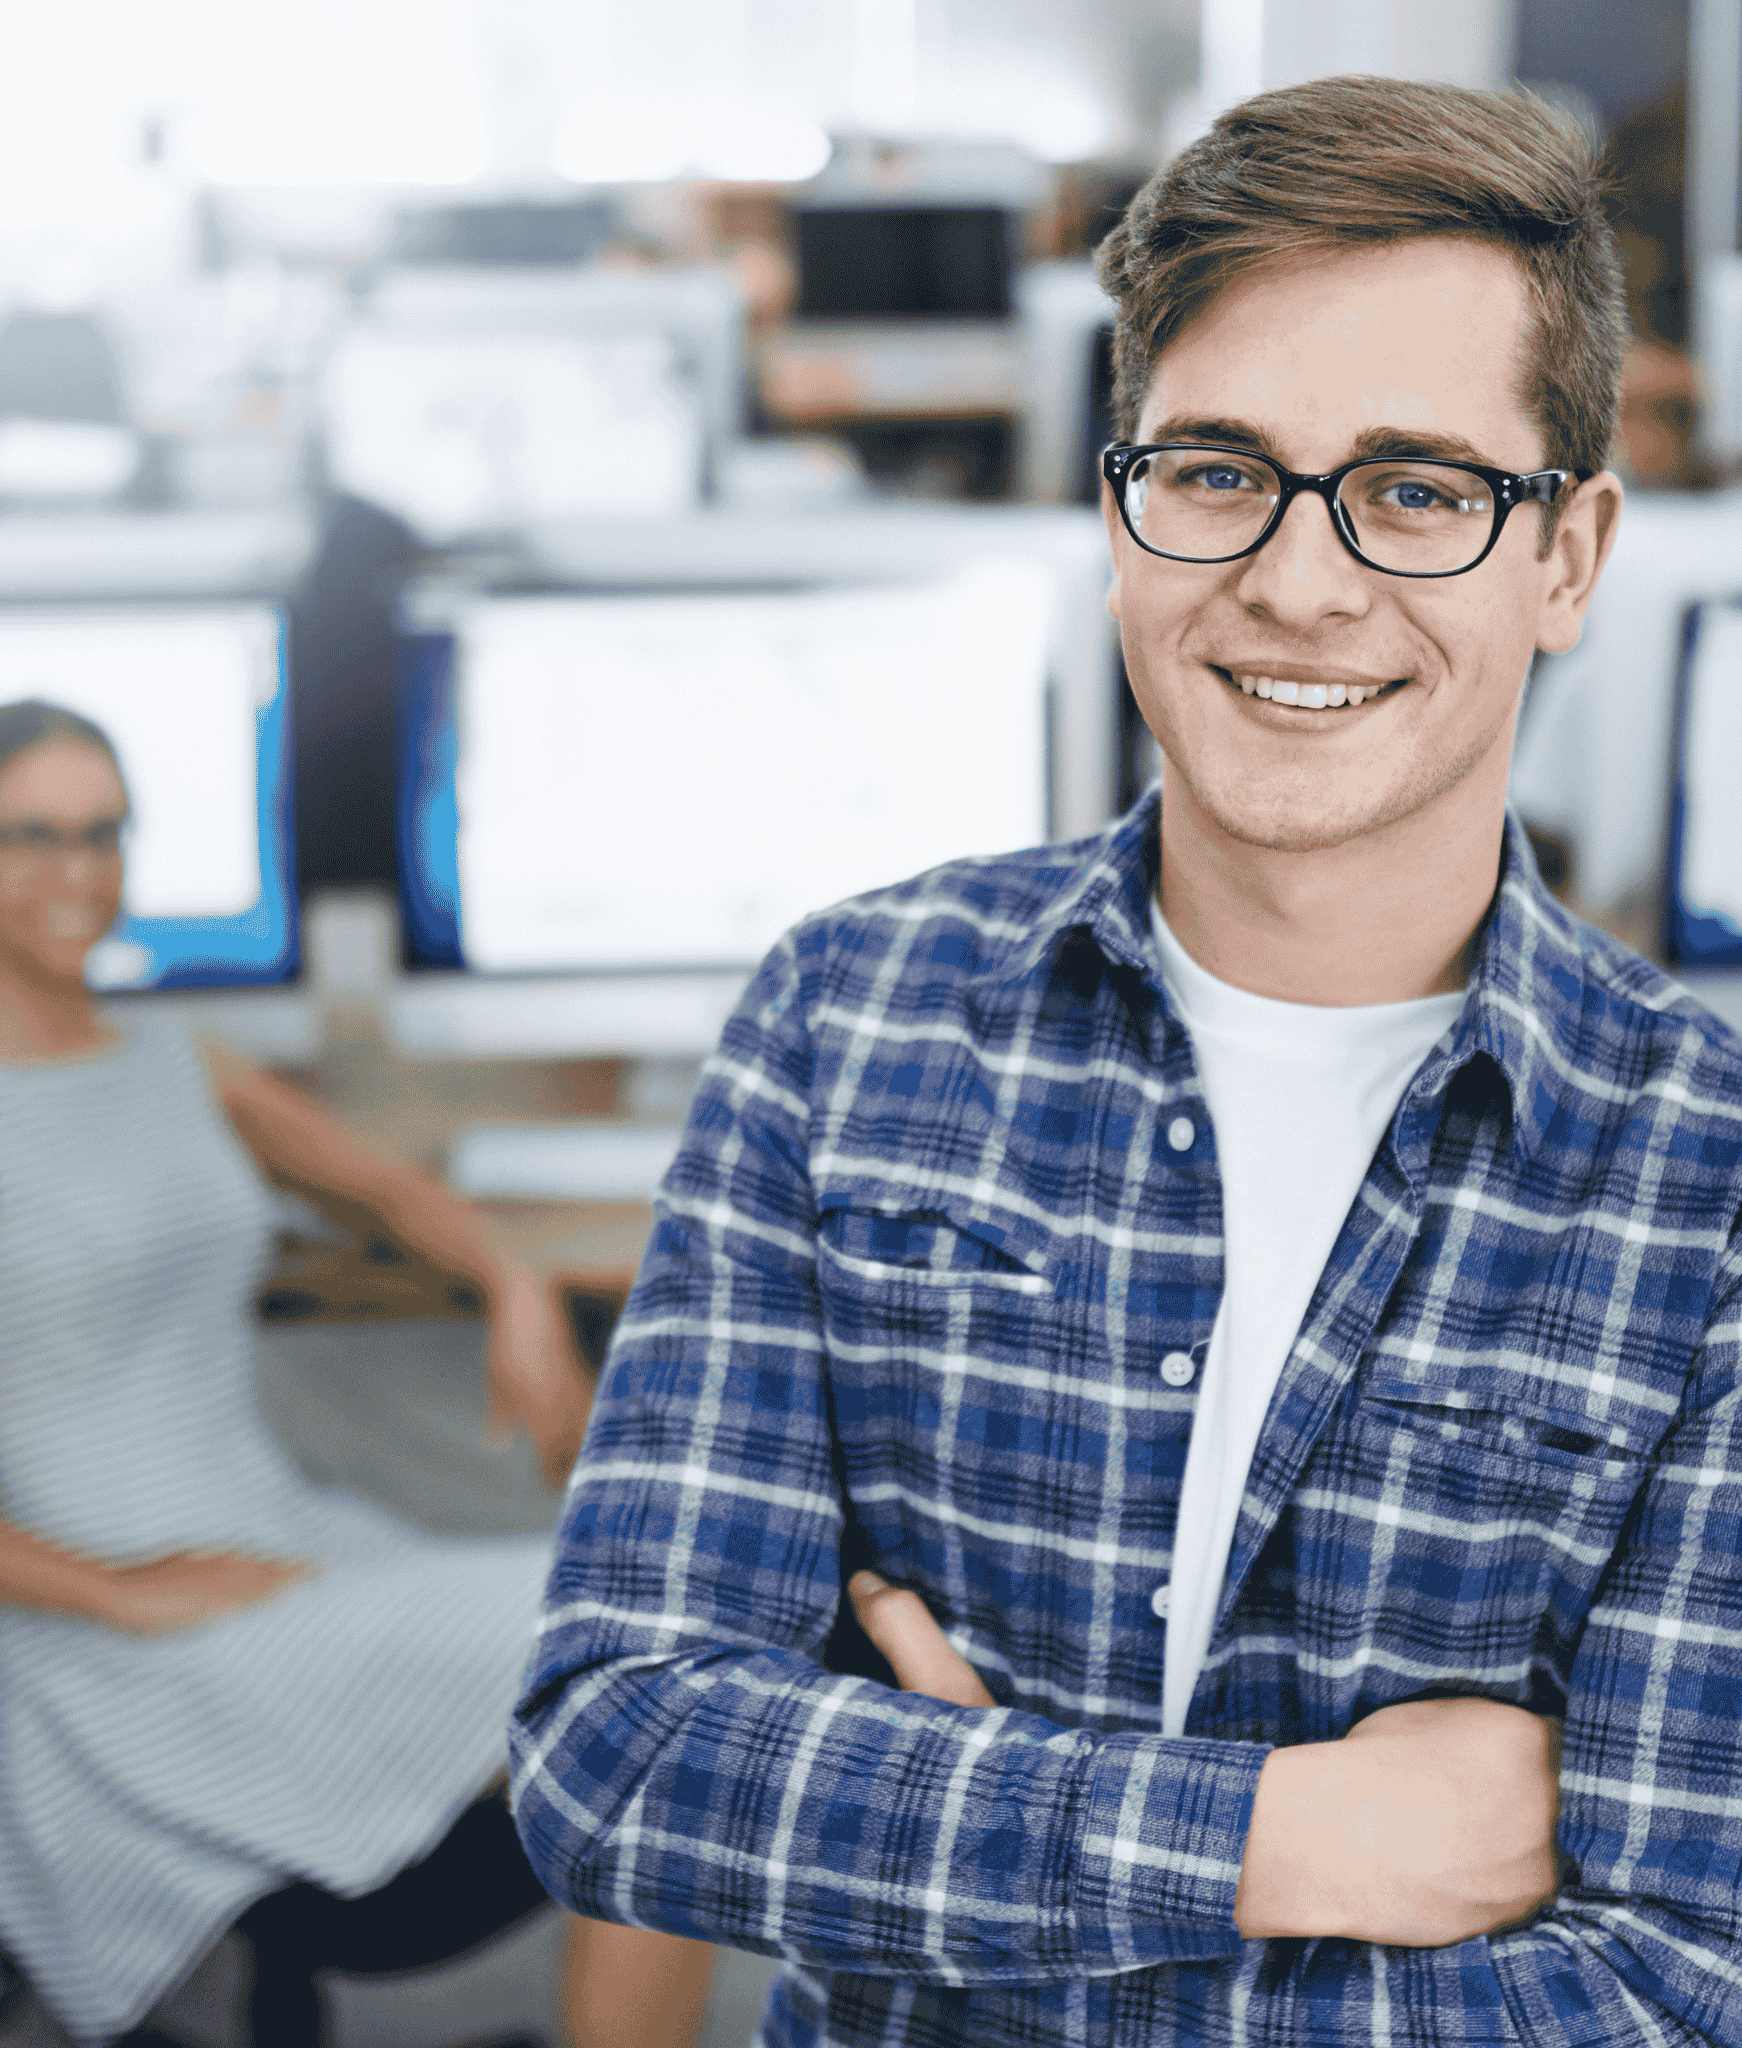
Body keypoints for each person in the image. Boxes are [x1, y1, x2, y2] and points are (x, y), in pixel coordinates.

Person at [508, 74, 1742, 2048]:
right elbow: (624, 1760)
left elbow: (1675, 1991)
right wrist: (1290, 1831)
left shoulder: (1706, 1179)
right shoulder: (854, 1018)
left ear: (1568, 558)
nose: (1298, 580)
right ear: (1117, 508)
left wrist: (966, 1852)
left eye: (1418, 489)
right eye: (1217, 469)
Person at [0, 699, 713, 2048]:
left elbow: (383, 1187)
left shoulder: (168, 1054)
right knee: (652, 1669)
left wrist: (508, 1283)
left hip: (286, 1552)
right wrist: (115, 1592)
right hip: (103, 1630)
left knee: (665, 1647)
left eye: (103, 835)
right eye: (30, 837)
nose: (78, 875)